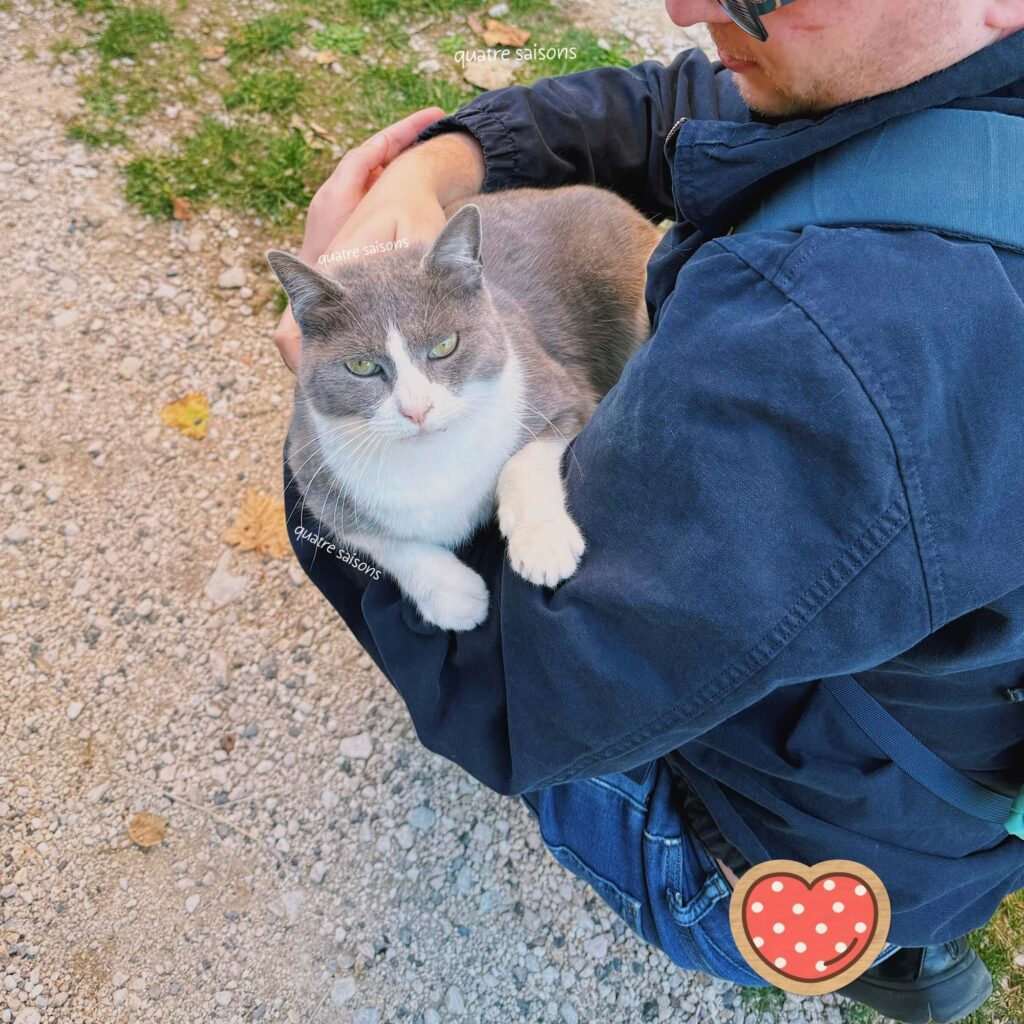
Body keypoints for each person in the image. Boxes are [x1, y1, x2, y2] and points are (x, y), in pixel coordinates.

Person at [273, 2, 1024, 1020]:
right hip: (944, 775)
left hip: (778, 857)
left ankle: (819, 925)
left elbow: (513, 690)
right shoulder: (913, 65)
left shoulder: (827, 352)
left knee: (495, 614)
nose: (690, 6)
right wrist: (445, 161)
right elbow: (685, 104)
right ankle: (913, 918)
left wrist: (327, 449)